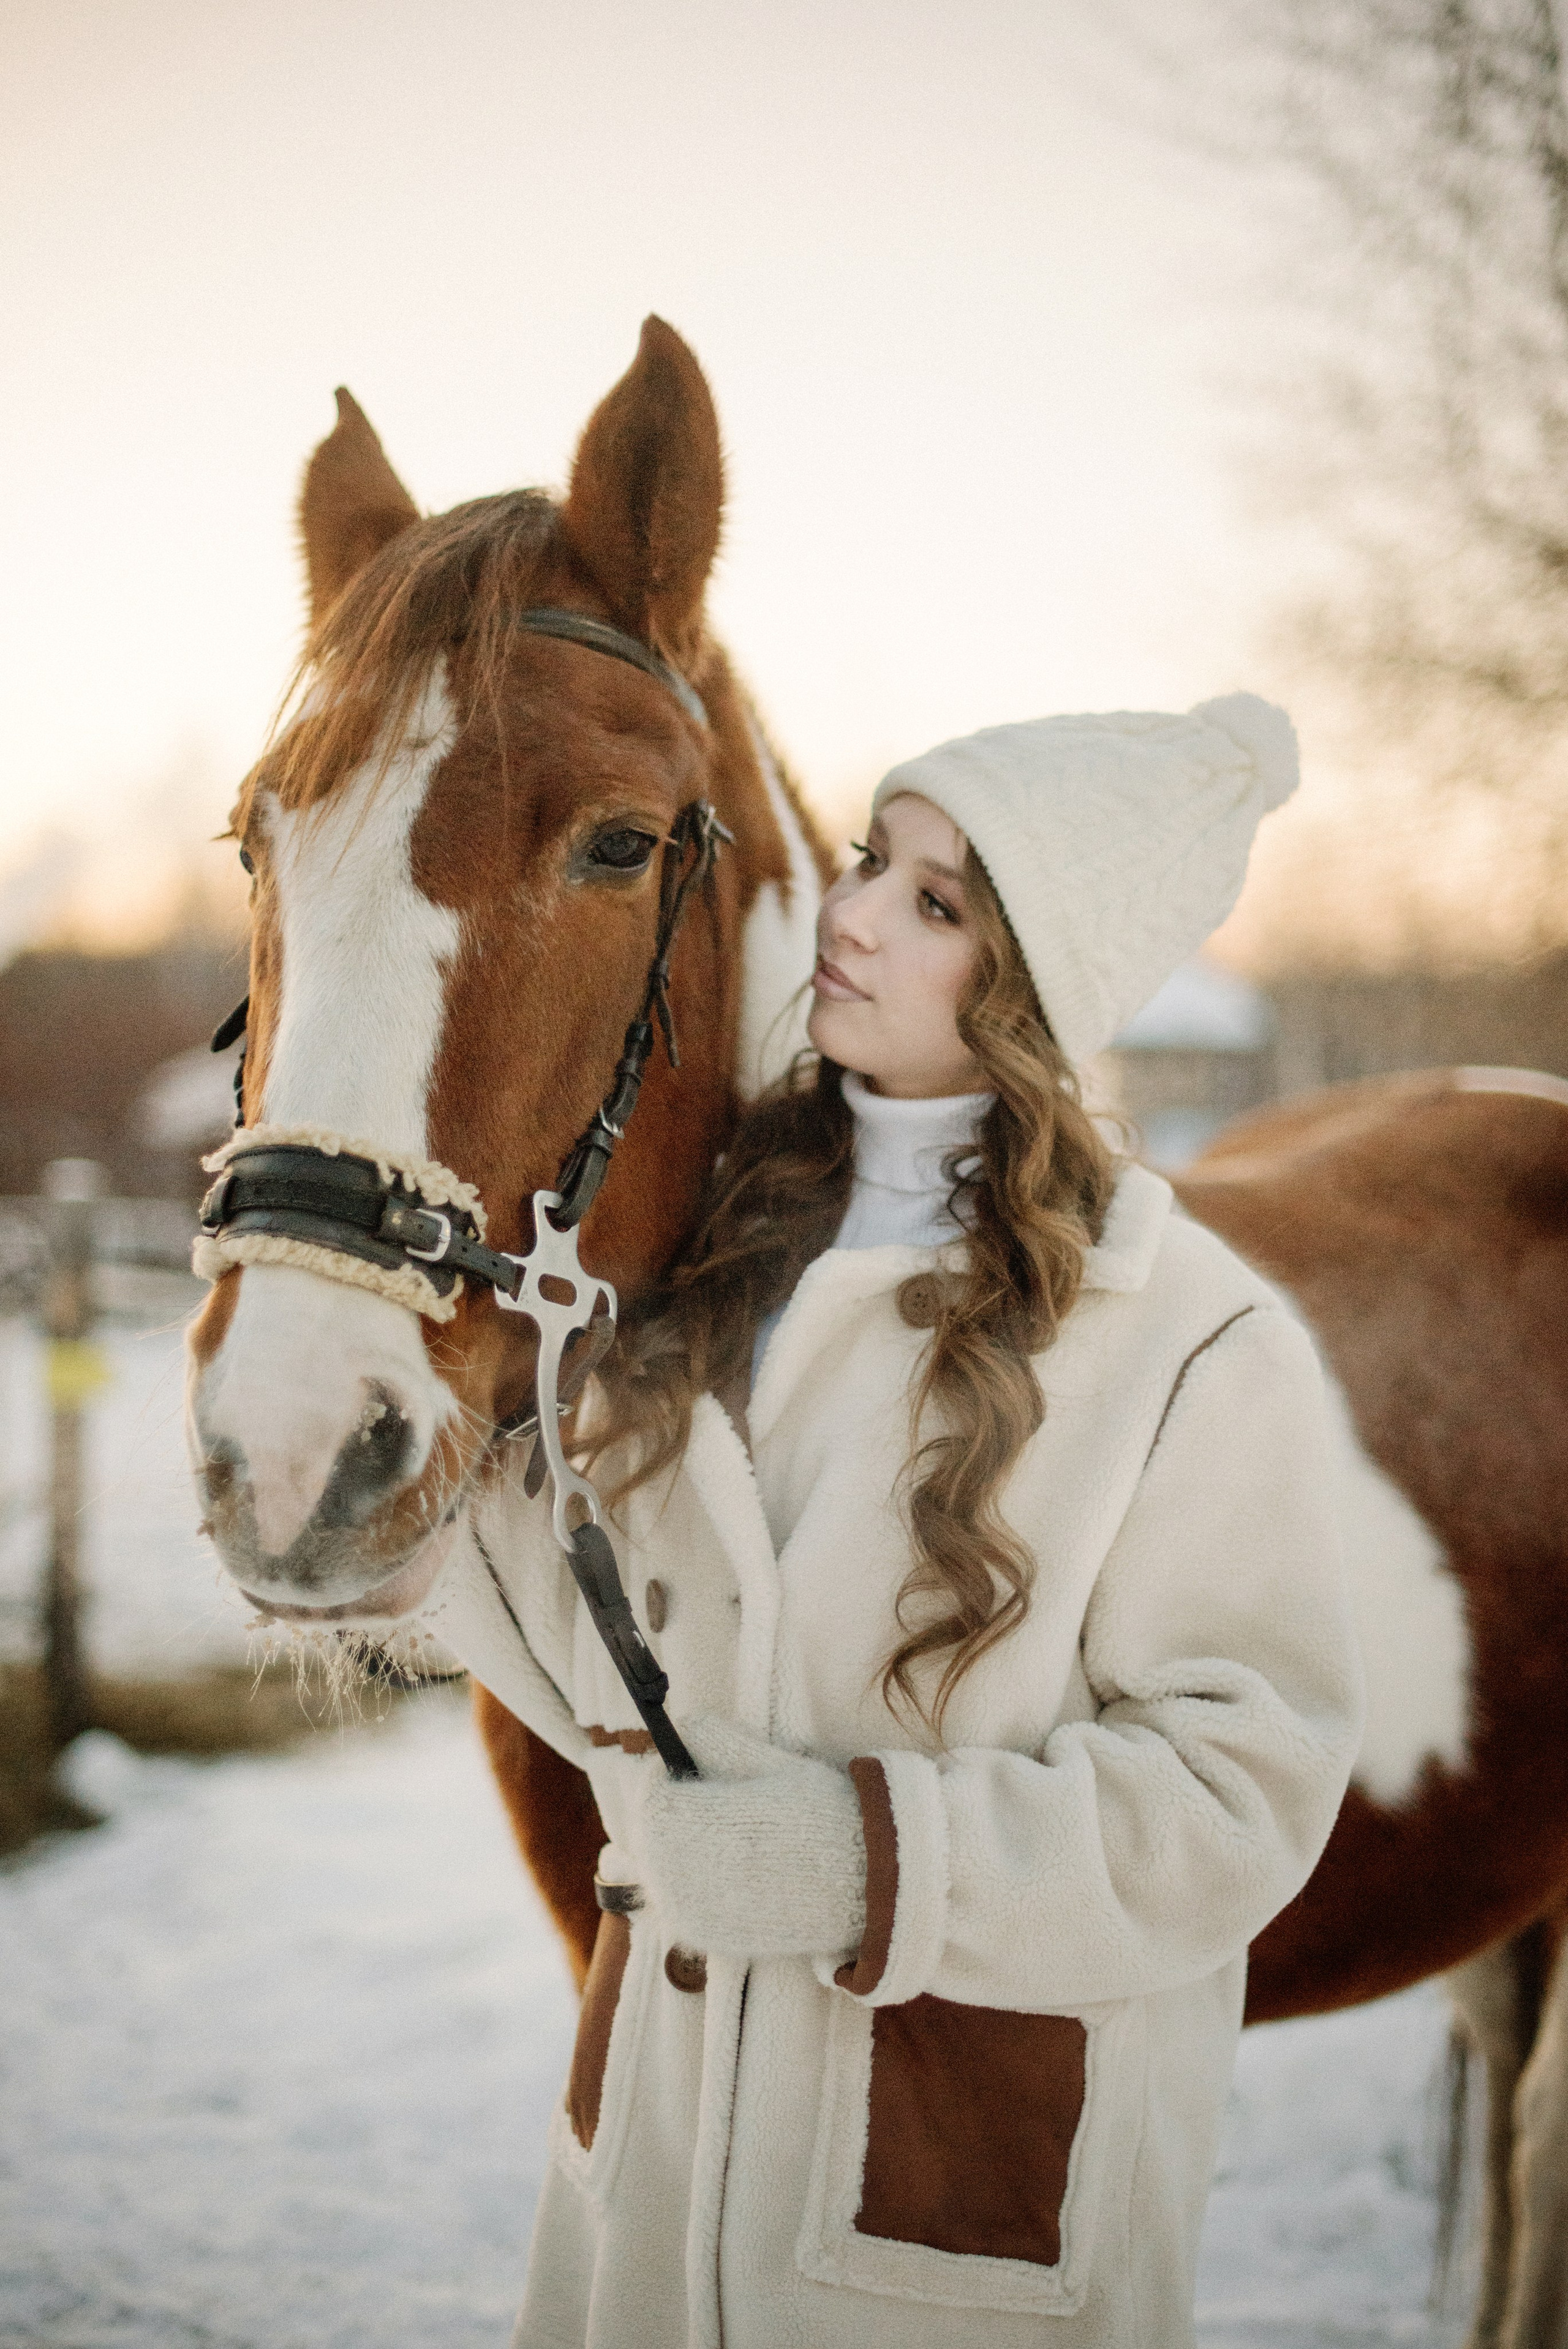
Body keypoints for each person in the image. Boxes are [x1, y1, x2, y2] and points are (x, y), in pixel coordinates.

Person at [471, 693, 1363, 2349]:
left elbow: (1243, 1787)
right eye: (869, 857)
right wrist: (383, 1506)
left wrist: (864, 1865)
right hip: (652, 2200)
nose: (853, 913)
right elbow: (588, 1639)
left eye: (935, 902)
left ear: (1033, 989)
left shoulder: (1191, 1337)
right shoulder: (712, 1249)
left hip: (945, 2249)